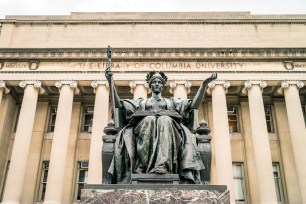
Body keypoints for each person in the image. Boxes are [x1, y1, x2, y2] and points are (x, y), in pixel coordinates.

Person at [105, 70, 217, 184]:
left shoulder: (171, 103)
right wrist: (110, 82)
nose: (157, 84)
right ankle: (143, 167)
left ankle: (162, 165)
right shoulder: (142, 103)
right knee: (149, 119)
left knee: (165, 119)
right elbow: (119, 104)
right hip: (145, 128)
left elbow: (193, 105)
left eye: (159, 82)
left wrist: (203, 85)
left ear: (163, 86)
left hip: (169, 129)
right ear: (150, 85)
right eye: (154, 82)